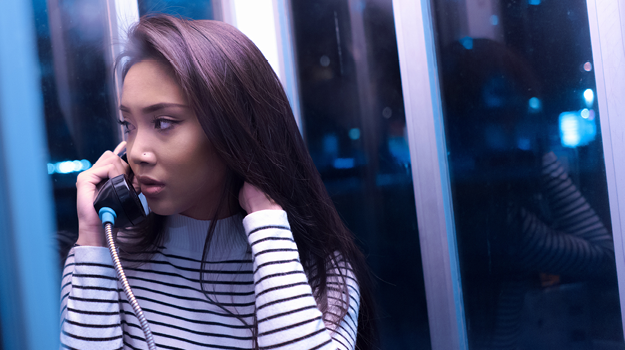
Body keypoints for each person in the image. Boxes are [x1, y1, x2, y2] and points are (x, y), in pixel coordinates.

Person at [60, 14, 375, 349]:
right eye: (128, 126)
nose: (137, 153)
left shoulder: (318, 272)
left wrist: (267, 225)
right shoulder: (103, 259)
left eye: (164, 122)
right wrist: (93, 238)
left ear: (234, 130)